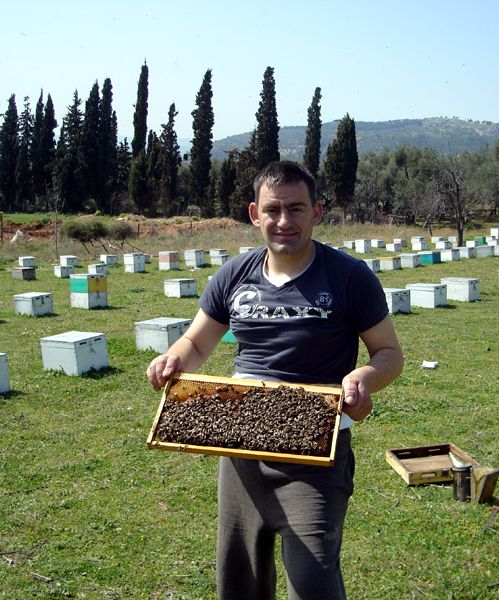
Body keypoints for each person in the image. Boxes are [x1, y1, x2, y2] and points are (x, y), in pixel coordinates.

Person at [146, 160, 404, 600]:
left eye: (297, 209)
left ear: (317, 212)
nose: (284, 221)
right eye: (273, 210)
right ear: (254, 214)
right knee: (239, 582)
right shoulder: (233, 275)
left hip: (315, 459)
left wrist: (363, 376)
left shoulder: (348, 277)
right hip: (241, 451)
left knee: (314, 583)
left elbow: (389, 355)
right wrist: (172, 357)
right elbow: (196, 343)